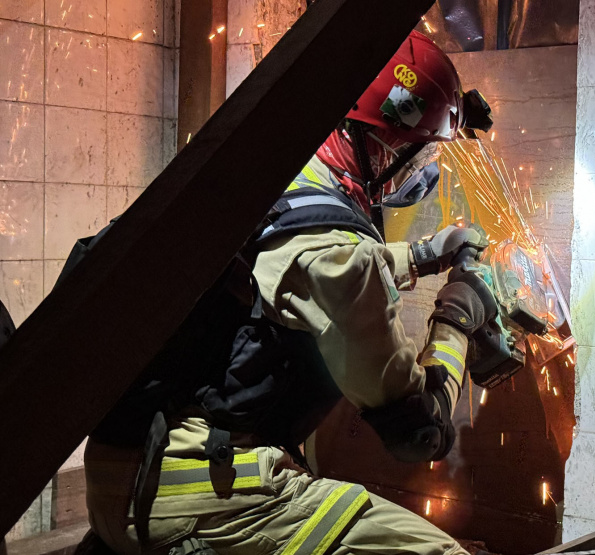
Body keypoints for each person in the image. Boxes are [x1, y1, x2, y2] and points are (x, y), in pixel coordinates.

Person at [82, 30, 497, 555]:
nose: (413, 175)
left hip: (124, 473)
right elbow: (418, 432)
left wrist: (423, 254)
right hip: (198, 496)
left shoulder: (275, 177)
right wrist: (459, 313)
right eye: (413, 156)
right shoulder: (337, 252)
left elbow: (299, 269)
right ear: (376, 143)